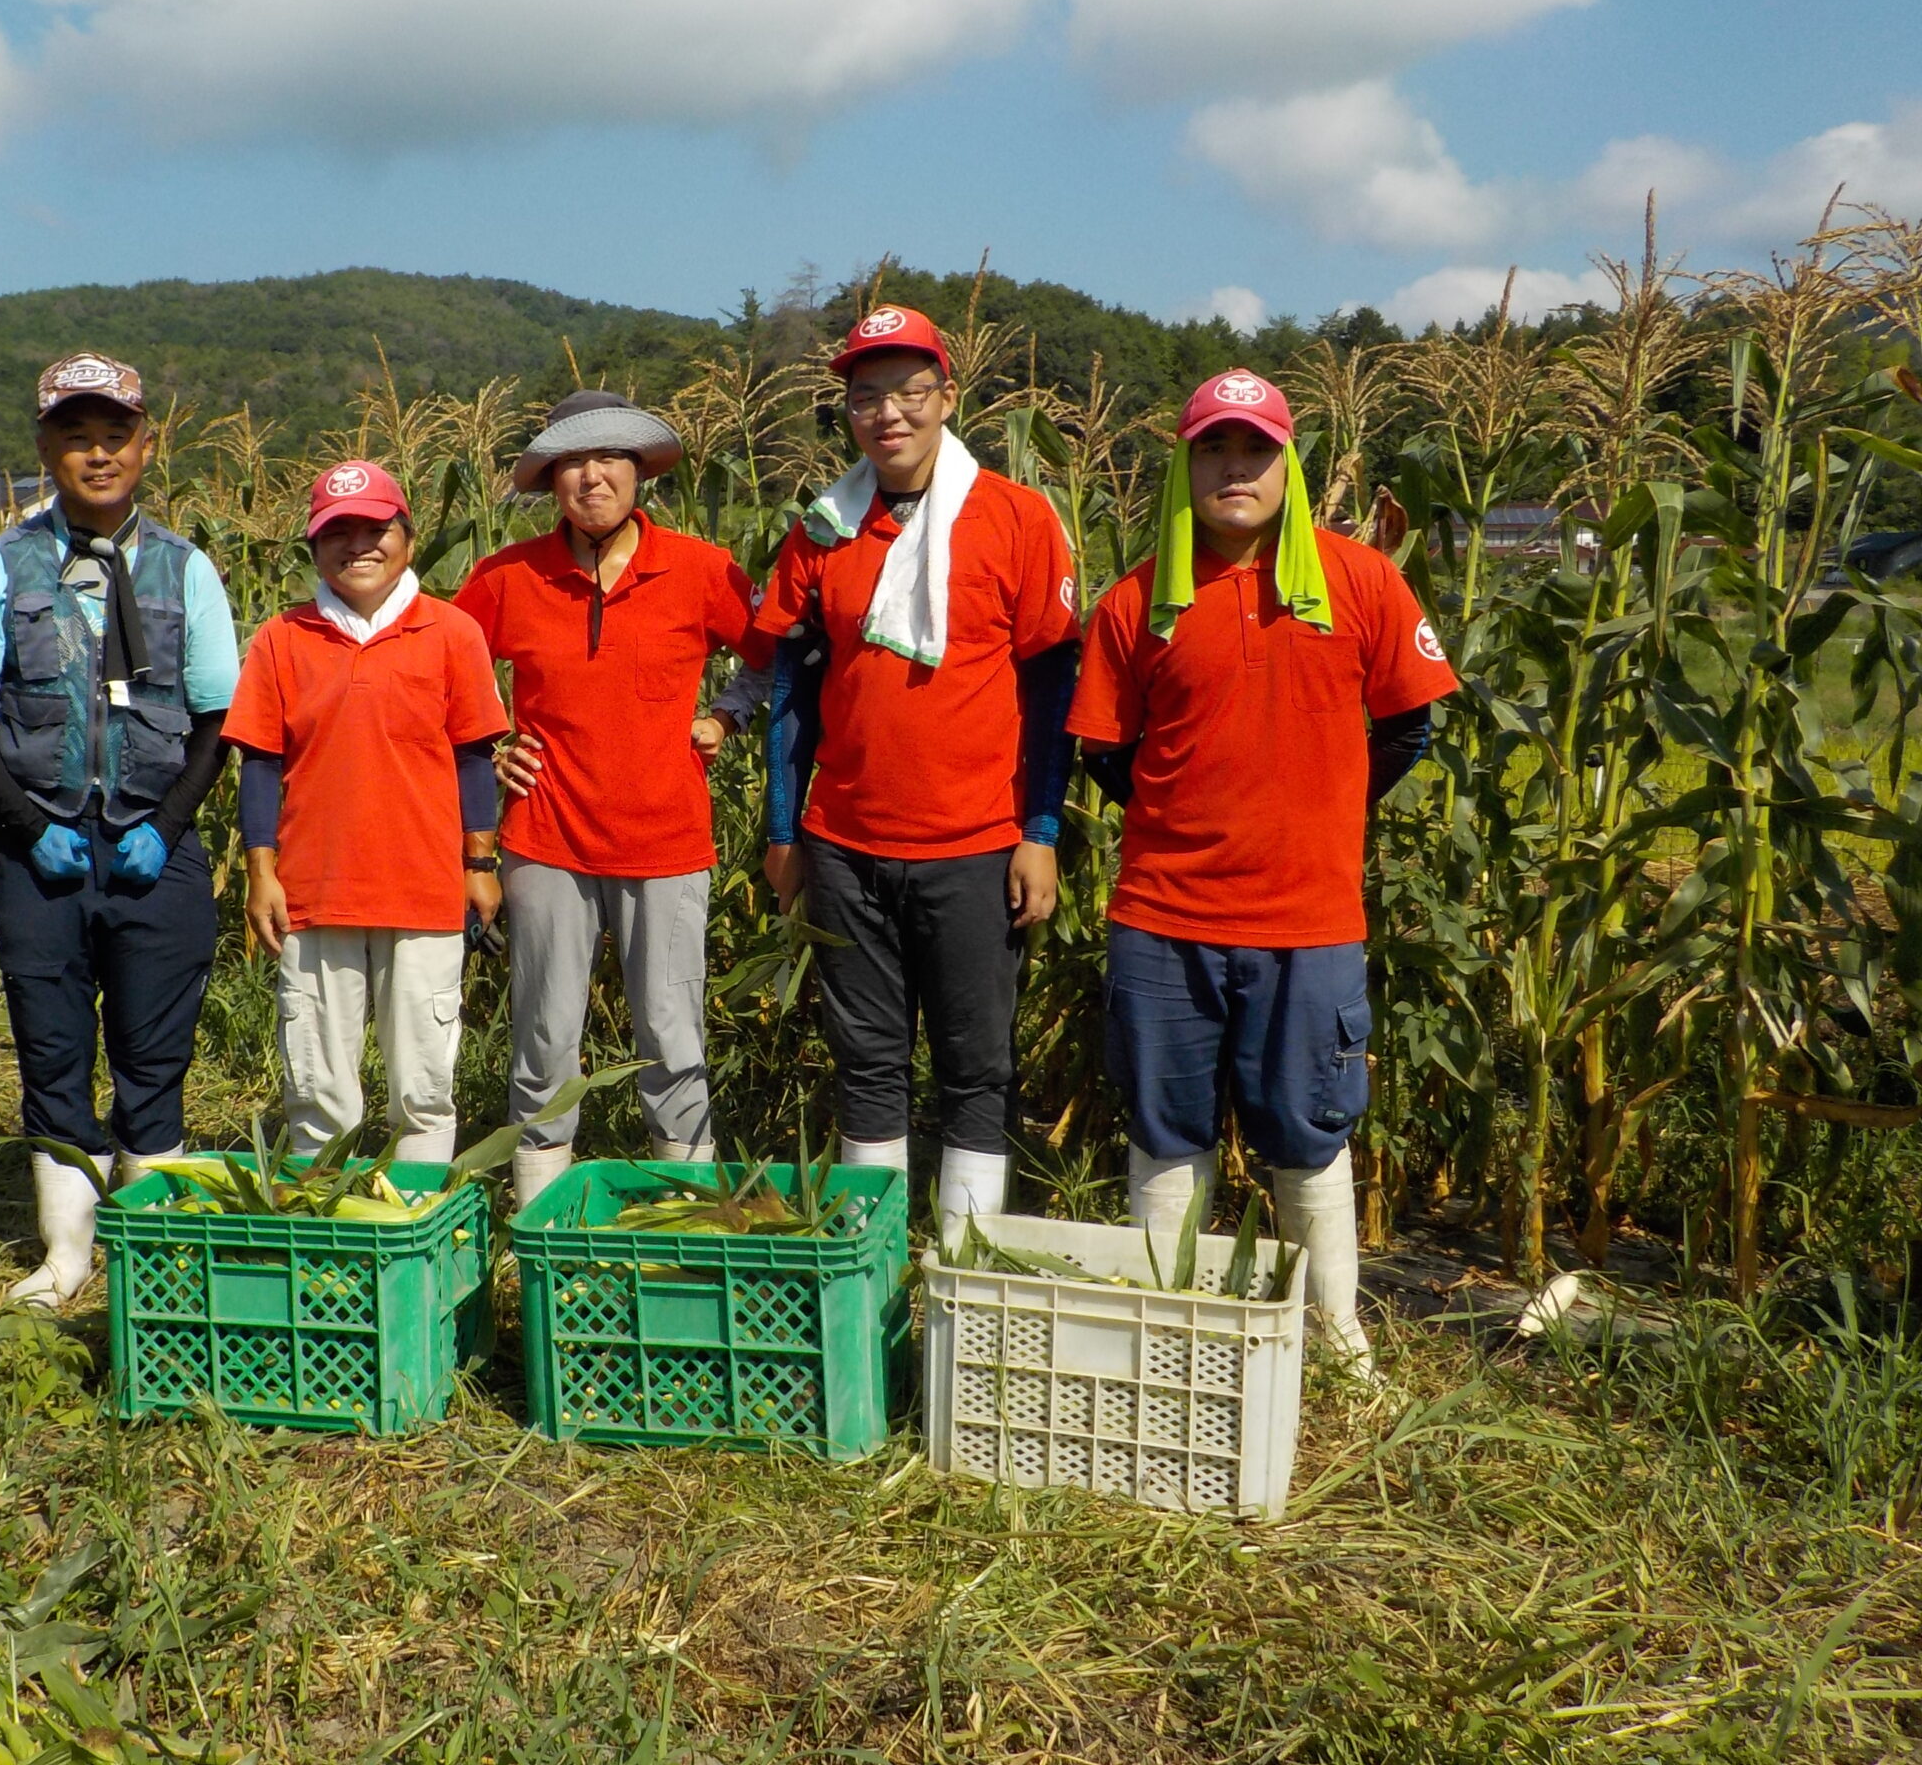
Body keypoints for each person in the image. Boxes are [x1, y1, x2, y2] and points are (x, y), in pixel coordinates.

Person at [1067, 368, 1458, 1369]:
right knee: (1166, 1127)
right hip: (1163, 918)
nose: (1233, 467)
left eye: (1254, 449)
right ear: (1186, 464)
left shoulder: (1361, 581)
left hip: (1308, 921)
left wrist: (1317, 807)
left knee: (1308, 1128)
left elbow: (1408, 727)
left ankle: (1334, 1344)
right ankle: (1166, 1337)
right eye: (1213, 448)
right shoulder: (1136, 602)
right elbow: (1108, 754)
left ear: (1288, 462)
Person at [755, 306, 1080, 1243]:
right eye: (865, 396)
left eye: (907, 391)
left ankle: (964, 1258)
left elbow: (1053, 683)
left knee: (976, 1062)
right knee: (866, 1059)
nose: (887, 413)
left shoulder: (1015, 518)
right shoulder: (822, 529)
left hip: (976, 843)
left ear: (946, 396)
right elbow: (792, 688)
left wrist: (1041, 832)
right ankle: (878, 1257)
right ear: (847, 413)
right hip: (848, 846)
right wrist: (784, 832)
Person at [0, 353, 240, 1310]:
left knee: (155, 1052)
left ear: (147, 446)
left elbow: (217, 719)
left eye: (115, 436)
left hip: (156, 846)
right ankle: (67, 1257)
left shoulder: (187, 569)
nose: (97, 454)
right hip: (43, 852)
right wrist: (24, 826)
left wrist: (170, 825)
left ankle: (148, 1251)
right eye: (76, 437)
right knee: (52, 1046)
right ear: (45, 449)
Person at [453, 391, 774, 1202]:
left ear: (639, 475)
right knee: (545, 1034)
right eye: (572, 464)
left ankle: (686, 1218)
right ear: (552, 482)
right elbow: (442, 673)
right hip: (546, 839)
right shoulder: (506, 577)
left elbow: (775, 656)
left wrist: (728, 714)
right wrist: (492, 747)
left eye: (608, 461)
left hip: (666, 842)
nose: (591, 478)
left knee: (671, 1034)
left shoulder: (703, 570)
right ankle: (539, 1220)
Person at [225, 461, 510, 1161]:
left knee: (423, 1084)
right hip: (316, 891)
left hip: (425, 887)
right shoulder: (281, 639)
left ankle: (414, 1225)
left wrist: (480, 863)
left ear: (408, 538)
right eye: (337, 533)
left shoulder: (452, 633)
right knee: (320, 1087)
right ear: (315, 549)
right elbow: (259, 763)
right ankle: (327, 1236)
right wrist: (261, 871)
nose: (359, 547)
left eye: (376, 530)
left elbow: (475, 757)